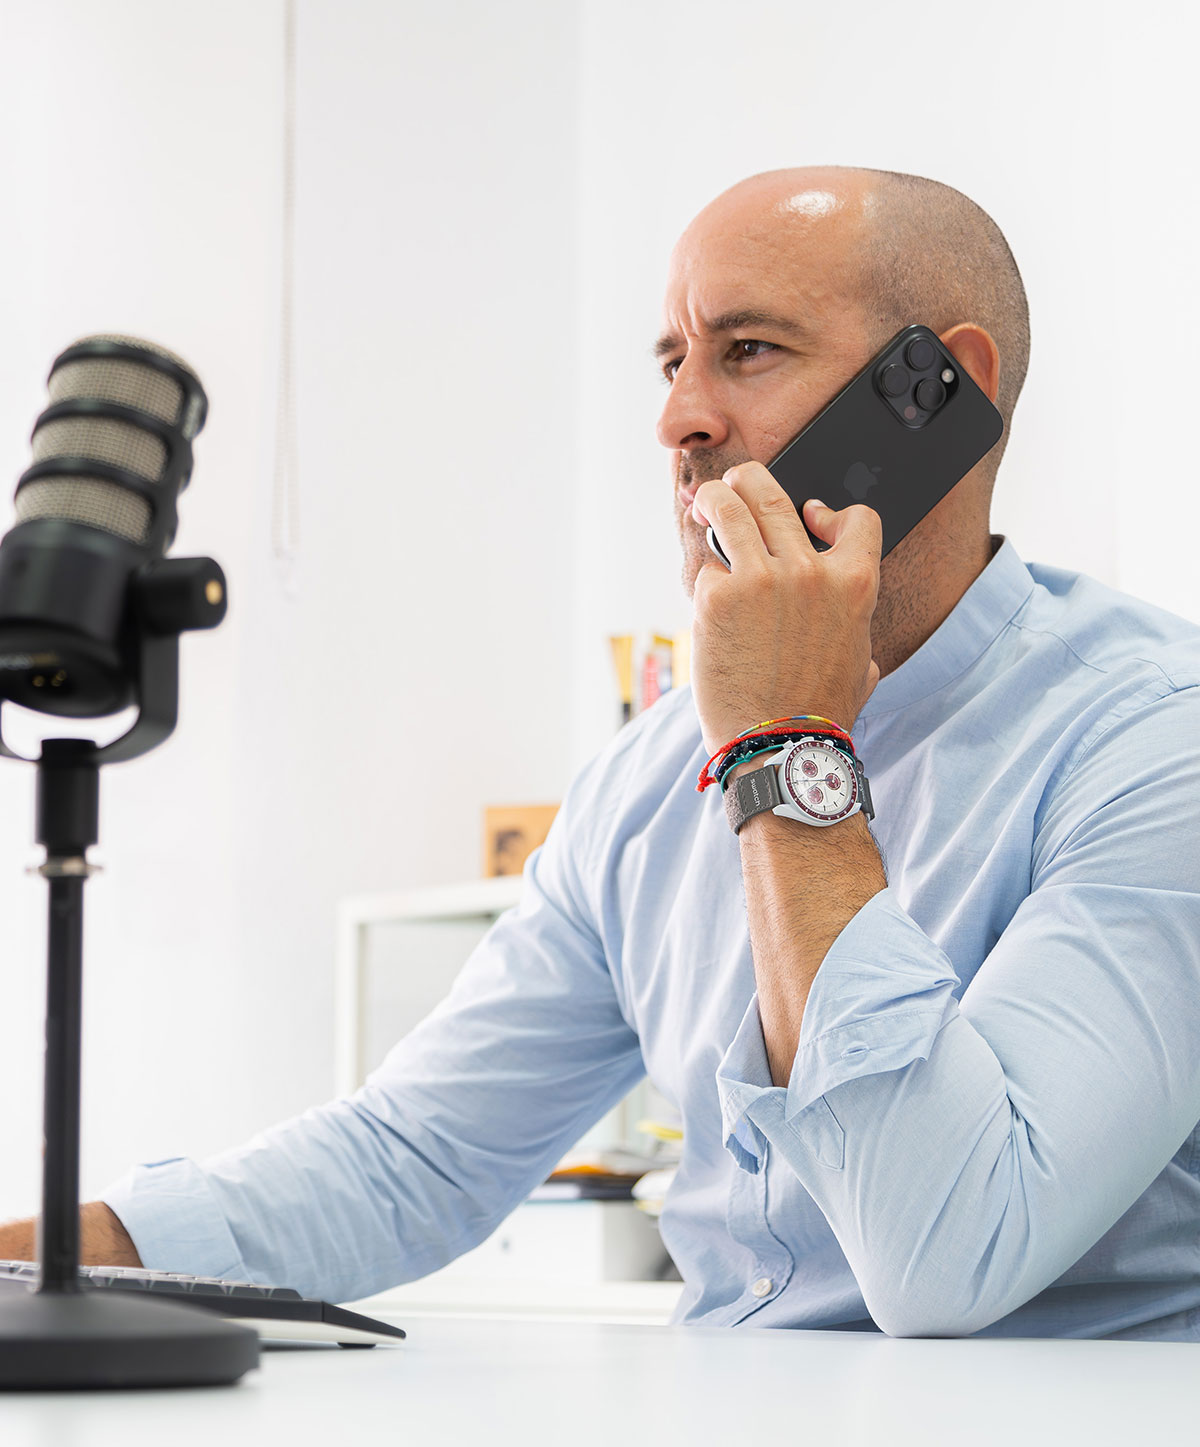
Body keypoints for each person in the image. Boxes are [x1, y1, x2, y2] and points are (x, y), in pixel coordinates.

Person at [4, 165, 1199, 1339]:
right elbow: (411, 1157)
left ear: (939, 392)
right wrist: (33, 1262)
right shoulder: (644, 780)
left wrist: (788, 744)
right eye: (673, 363)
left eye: (749, 350)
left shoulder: (1154, 735)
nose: (679, 420)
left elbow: (953, 1250)